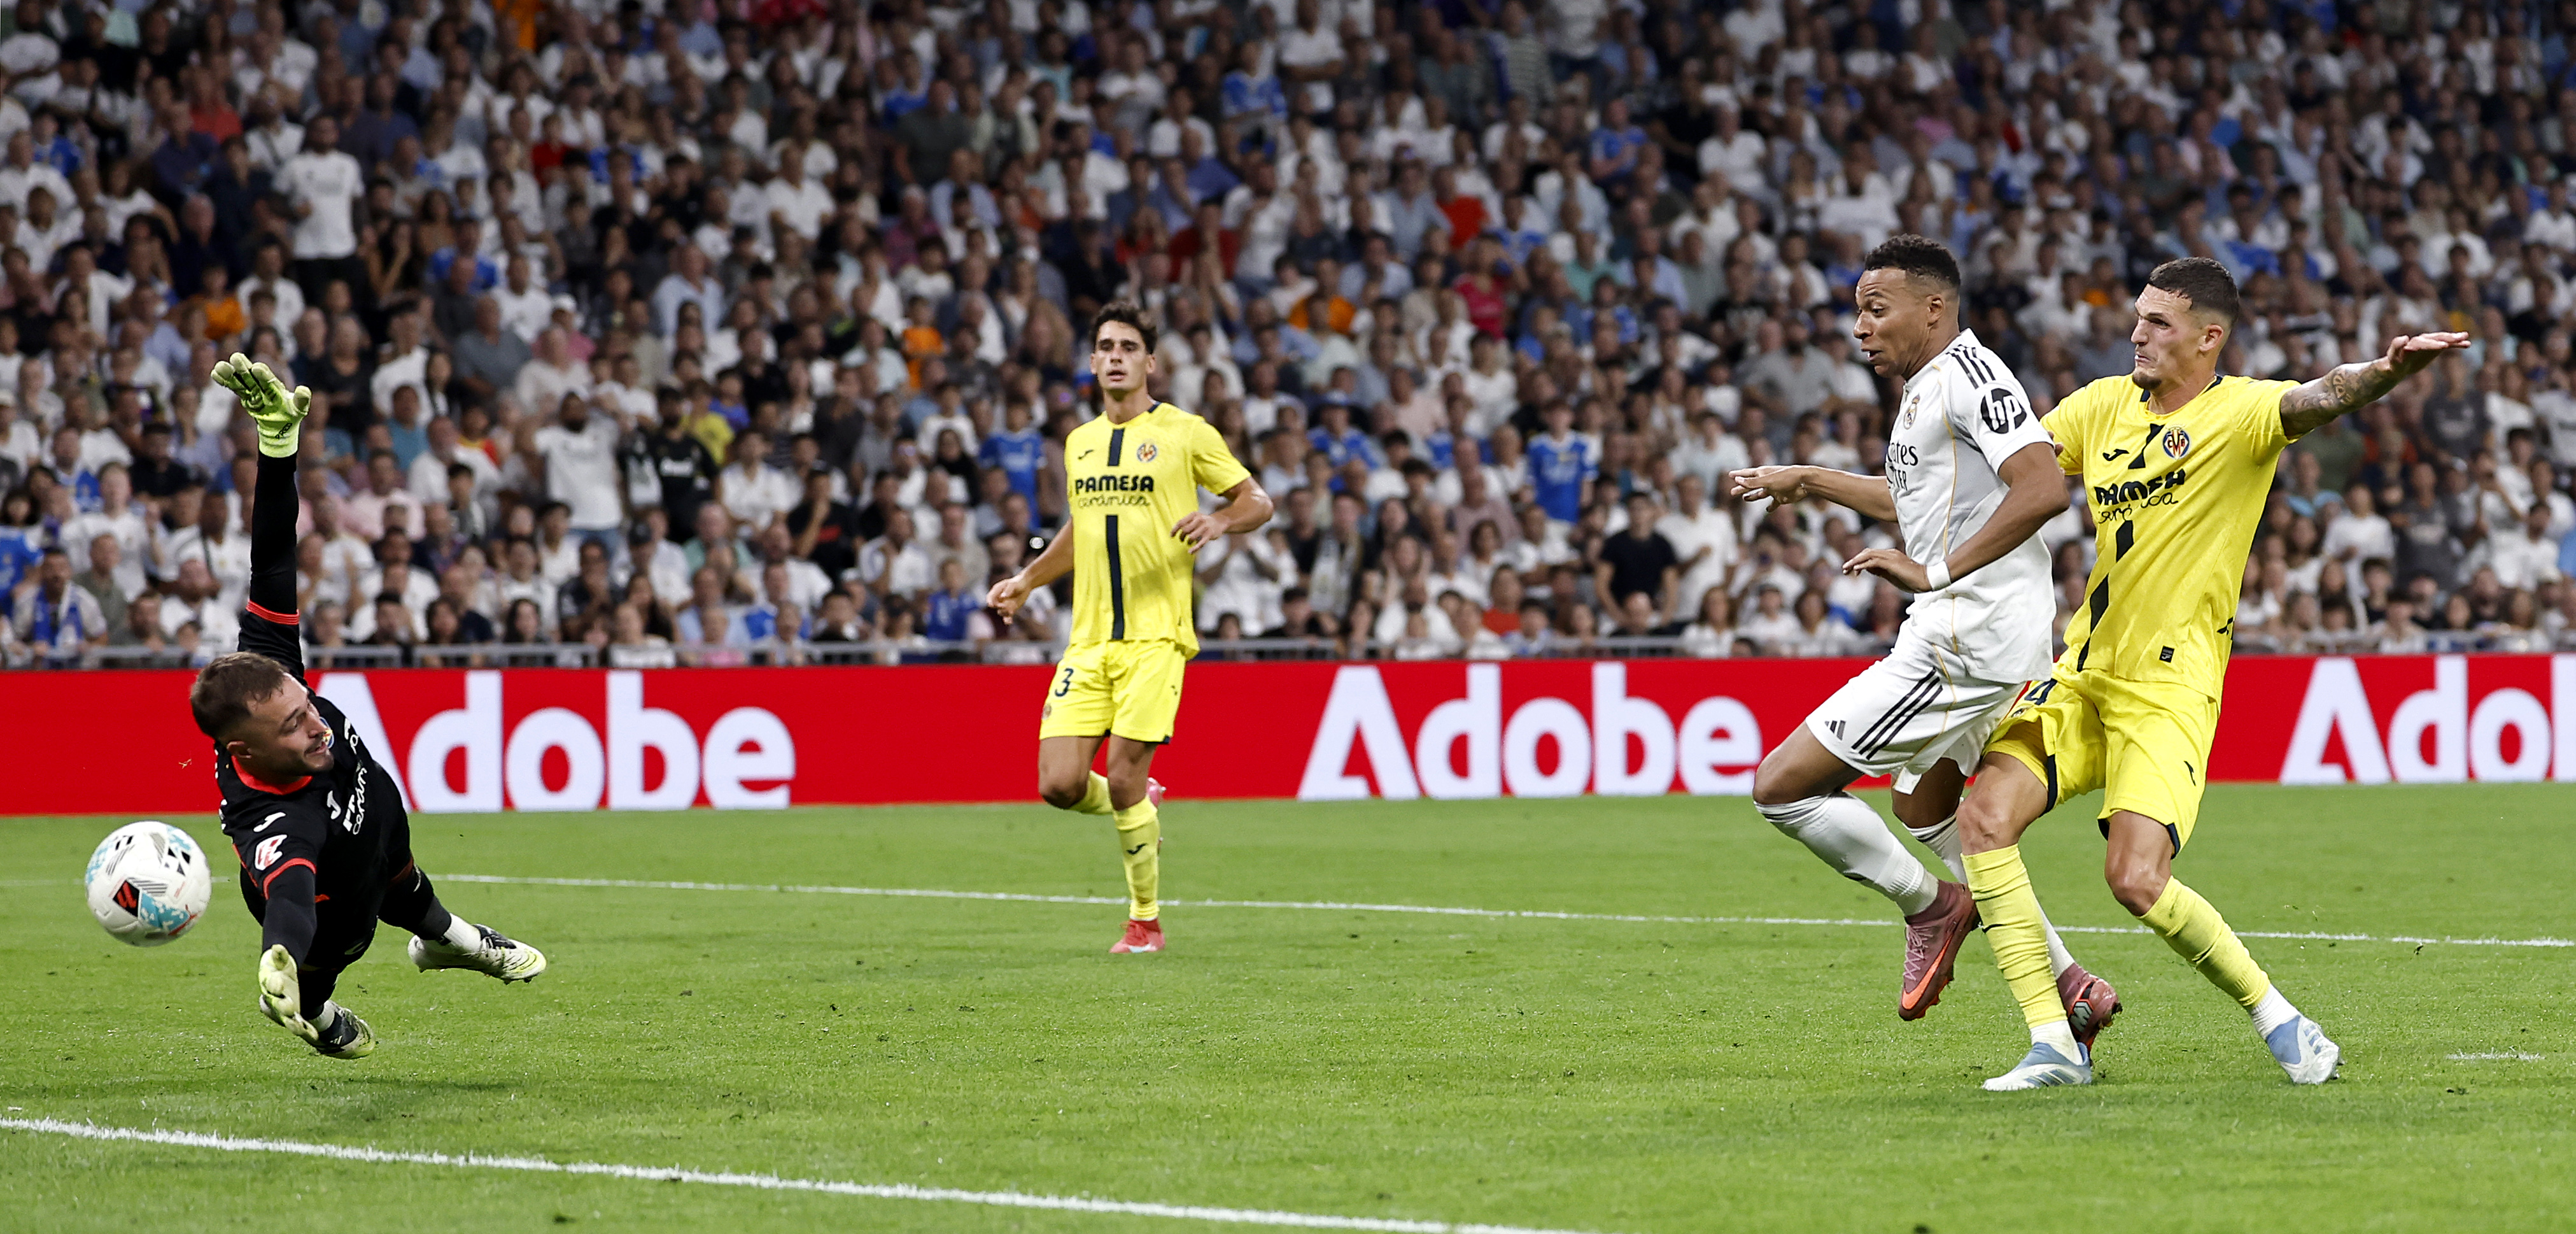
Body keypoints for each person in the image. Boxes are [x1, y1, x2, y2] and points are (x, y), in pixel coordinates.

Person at [1956, 257, 2468, 1090]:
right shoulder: (2097, 407)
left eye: (2157, 323)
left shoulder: (2243, 413)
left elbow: (2320, 394)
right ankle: (2053, 1040)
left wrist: (2381, 373)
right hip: (2082, 672)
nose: (2135, 333)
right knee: (1980, 819)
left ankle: (2277, 1017)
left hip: (2168, 685)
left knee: (2132, 879)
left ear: (2207, 336)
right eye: (2136, 317)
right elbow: (2014, 479)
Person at [1724, 235, 2113, 1033]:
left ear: (1934, 308)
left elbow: (2041, 487)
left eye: (1877, 309)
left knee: (1783, 789)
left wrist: (1937, 573)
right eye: (1857, 311)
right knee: (1927, 811)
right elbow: (1914, 504)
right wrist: (1809, 479)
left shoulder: (1972, 376)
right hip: (1988, 634)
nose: (1860, 328)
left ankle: (1932, 907)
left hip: (1961, 642)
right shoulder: (1928, 389)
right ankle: (2066, 978)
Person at [188, 355, 545, 1060]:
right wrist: (279, 957)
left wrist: (278, 449)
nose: (315, 722)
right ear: (247, 753)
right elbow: (289, 894)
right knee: (329, 959)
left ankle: (447, 938)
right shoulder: (273, 817)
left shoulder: (266, 673)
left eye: (304, 704)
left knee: (397, 863)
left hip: (372, 818)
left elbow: (274, 558)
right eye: (292, 726)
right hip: (330, 906)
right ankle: (315, 1015)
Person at [984, 301, 1272, 954]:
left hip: (1155, 636)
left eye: (1129, 347)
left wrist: (1221, 522)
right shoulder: (1079, 444)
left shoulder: (1185, 432)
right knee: (1057, 784)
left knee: (1119, 778)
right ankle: (1143, 800)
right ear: (1092, 362)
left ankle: (1145, 923)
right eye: (1106, 347)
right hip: (1089, 638)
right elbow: (1083, 529)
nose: (1116, 356)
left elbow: (1257, 500)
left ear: (1150, 363)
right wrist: (1029, 579)